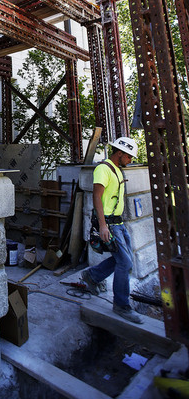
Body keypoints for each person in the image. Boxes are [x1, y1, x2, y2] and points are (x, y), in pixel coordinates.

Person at [81, 136, 143, 324]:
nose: (130, 160)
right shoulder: (103, 169)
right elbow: (97, 198)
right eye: (129, 156)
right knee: (124, 262)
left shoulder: (116, 169)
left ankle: (92, 276)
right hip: (108, 223)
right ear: (120, 153)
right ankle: (121, 305)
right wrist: (102, 225)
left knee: (124, 259)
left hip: (118, 223)